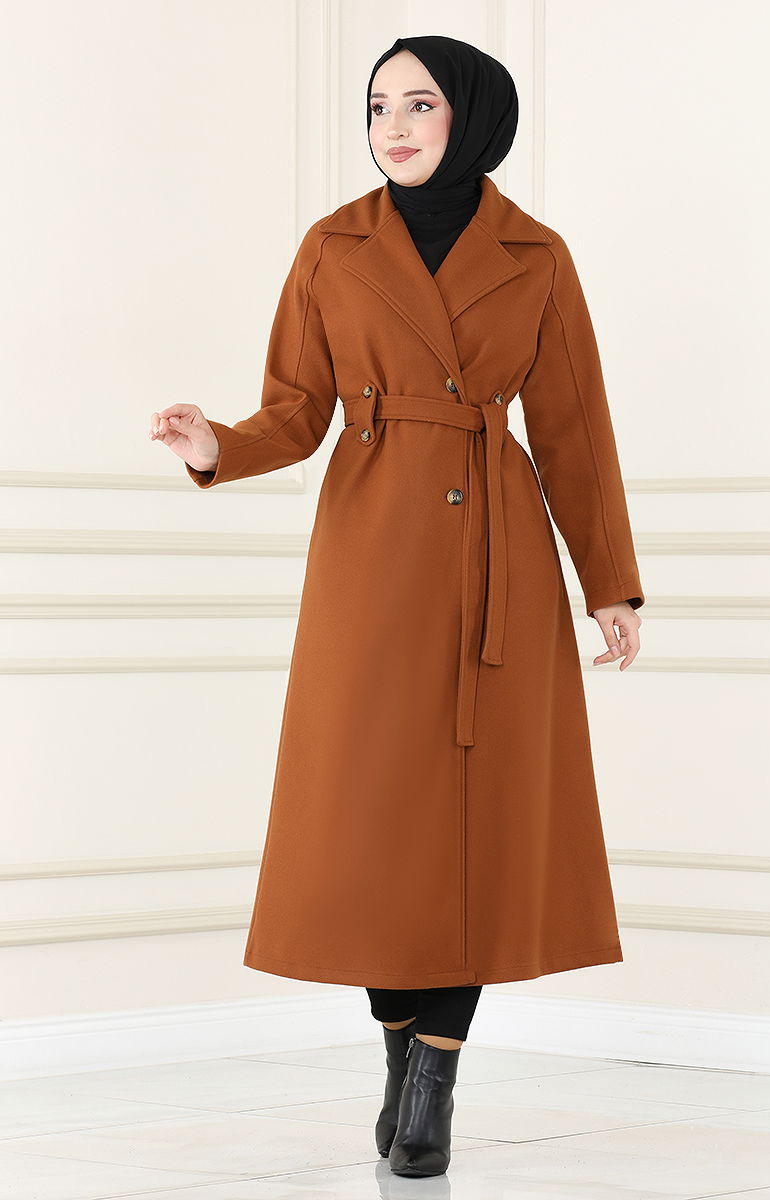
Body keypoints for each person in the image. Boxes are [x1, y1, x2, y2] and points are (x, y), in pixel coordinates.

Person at [149, 34, 644, 1180]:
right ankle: (397, 1049)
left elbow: (572, 429)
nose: (393, 126)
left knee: (468, 826)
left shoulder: (536, 255)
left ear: (470, 116)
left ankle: (434, 1080)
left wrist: (607, 584)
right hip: (369, 554)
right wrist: (216, 445)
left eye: (419, 104)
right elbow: (297, 408)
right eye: (378, 106)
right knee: (376, 823)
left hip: (493, 557)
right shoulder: (332, 246)